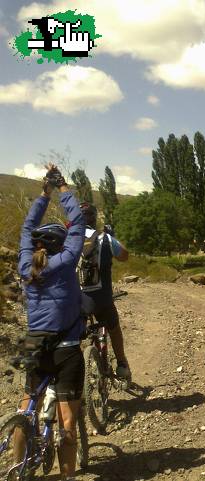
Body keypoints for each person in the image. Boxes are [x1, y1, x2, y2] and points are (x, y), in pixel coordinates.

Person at [16, 163, 85, 480]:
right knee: (67, 419)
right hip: (66, 348)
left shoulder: (26, 266)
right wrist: (62, 188)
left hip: (35, 342)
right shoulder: (66, 261)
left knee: (28, 403)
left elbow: (26, 227)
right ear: (59, 245)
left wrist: (45, 192)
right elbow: (78, 223)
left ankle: (17, 467)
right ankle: (68, 476)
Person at [78, 202, 131, 380]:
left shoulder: (68, 238)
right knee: (114, 328)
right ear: (94, 219)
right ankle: (122, 363)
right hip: (102, 298)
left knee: (72, 337)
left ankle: (72, 374)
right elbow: (124, 255)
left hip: (76, 300)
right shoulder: (104, 238)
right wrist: (111, 236)